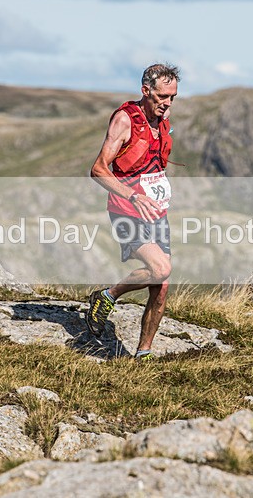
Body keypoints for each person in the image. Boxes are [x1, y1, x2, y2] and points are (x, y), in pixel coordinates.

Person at [86, 63, 180, 361]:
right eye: (162, 96)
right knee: (161, 269)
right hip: (126, 209)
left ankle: (143, 353)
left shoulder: (163, 120)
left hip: (155, 212)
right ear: (146, 91)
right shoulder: (125, 120)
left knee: (161, 286)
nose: (167, 103)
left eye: (172, 98)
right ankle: (109, 295)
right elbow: (98, 169)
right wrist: (133, 195)